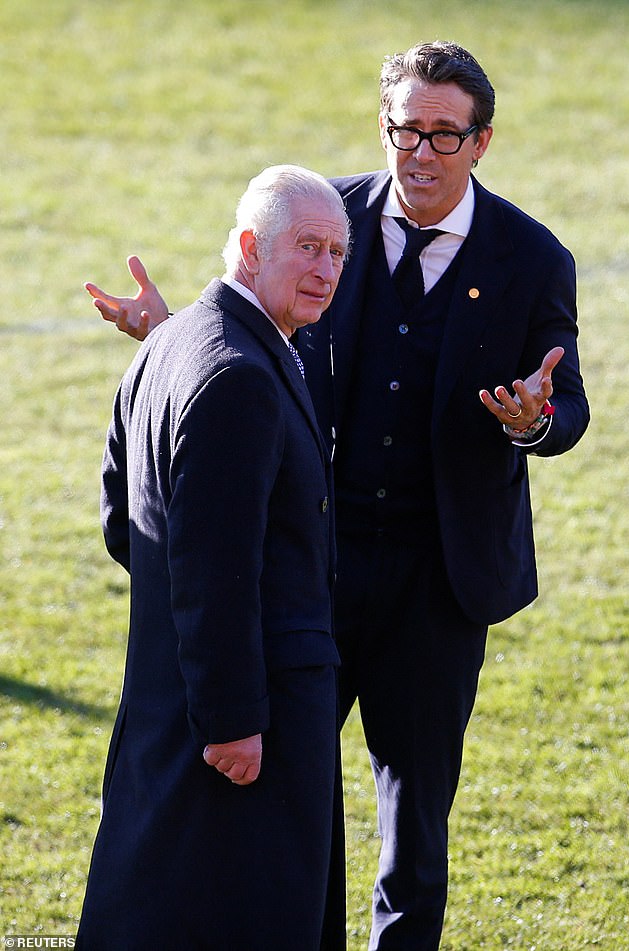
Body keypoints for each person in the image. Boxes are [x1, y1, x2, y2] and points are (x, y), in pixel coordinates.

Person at [87, 42, 590, 951]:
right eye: (406, 130)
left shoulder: (531, 255)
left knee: (417, 820)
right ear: (385, 128)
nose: (421, 153)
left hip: (440, 585)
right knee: (297, 804)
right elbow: (253, 351)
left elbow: (568, 405)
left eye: (445, 134)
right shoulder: (327, 220)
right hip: (313, 577)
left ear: (482, 142)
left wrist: (532, 419)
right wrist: (173, 338)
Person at [76, 165, 351, 951]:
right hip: (242, 722)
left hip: (172, 691)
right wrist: (233, 719)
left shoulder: (170, 344)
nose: (326, 270)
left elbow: (125, 526)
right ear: (247, 245)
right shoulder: (237, 374)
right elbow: (213, 562)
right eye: (307, 248)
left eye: (338, 252)